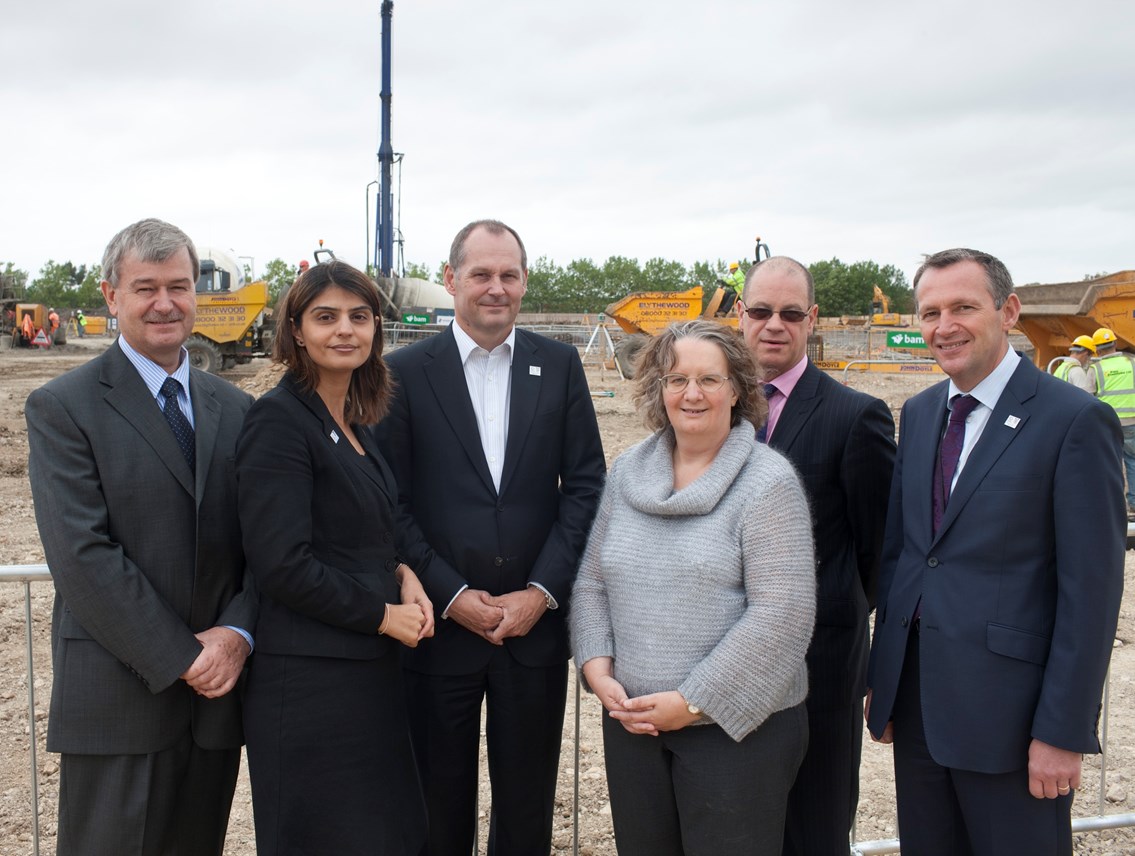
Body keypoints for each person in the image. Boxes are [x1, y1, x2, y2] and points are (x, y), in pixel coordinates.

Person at [865, 248, 1125, 856]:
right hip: (922, 707)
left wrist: (1062, 731)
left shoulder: (1074, 420)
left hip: (1013, 721)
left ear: (1008, 311)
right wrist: (887, 675)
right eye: (930, 312)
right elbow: (906, 555)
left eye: (963, 307)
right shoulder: (923, 412)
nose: (944, 325)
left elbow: (1090, 594)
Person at [25, 218, 257, 856]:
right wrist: (183, 656)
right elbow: (83, 555)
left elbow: (263, 545)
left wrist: (236, 636)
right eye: (145, 287)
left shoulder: (234, 410)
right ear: (111, 296)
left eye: (179, 286)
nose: (165, 303)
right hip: (119, 697)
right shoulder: (63, 407)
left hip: (215, 699)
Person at [373, 219, 606, 856]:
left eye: (509, 274)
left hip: (531, 632)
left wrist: (541, 591)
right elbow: (389, 501)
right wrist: (450, 594)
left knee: (527, 809)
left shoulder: (557, 364)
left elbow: (585, 486)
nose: (495, 288)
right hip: (437, 630)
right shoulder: (403, 373)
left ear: (525, 282)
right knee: (436, 808)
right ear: (451, 280)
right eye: (481, 274)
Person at [571, 319, 816, 855]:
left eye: (710, 379)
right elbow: (592, 580)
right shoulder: (628, 473)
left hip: (736, 736)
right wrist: (596, 668)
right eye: (677, 379)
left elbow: (783, 612)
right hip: (633, 726)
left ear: (737, 389)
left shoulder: (768, 483)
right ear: (659, 389)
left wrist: (693, 702)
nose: (693, 393)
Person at [237, 260, 432, 854]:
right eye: (326, 317)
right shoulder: (278, 420)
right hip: (309, 686)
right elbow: (282, 563)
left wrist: (405, 575)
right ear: (296, 330)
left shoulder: (354, 420)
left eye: (359, 316)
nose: (345, 329)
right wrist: (381, 614)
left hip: (365, 676)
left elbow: (362, 533)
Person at [737, 256, 896, 855]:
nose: (773, 325)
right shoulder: (711, 410)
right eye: (760, 311)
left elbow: (881, 552)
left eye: (790, 313)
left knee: (814, 828)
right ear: (740, 316)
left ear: (812, 319)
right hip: (722, 665)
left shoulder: (855, 417)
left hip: (820, 671)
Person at [1091, 326, 1135, 517]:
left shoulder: (1095, 368)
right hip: (1132, 420)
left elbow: (1088, 398)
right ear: (1115, 344)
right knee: (1132, 461)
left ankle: (1115, 503)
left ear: (1097, 349)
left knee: (1111, 462)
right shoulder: (1131, 363)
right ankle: (1133, 502)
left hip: (1107, 423)